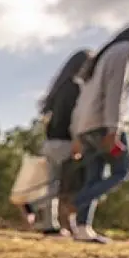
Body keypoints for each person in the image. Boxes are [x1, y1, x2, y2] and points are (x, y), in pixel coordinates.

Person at [69, 8, 129, 243]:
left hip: (87, 125)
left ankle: (83, 228)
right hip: (105, 123)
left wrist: (77, 132)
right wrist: (113, 130)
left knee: (94, 176)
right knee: (123, 170)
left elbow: (84, 97)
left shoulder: (106, 53)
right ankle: (75, 203)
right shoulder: (127, 50)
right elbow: (116, 93)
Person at [30, 48, 94, 237]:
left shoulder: (58, 88)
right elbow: (77, 118)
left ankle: (49, 224)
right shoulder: (76, 87)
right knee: (70, 186)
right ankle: (70, 224)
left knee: (50, 186)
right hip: (66, 142)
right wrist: (78, 140)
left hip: (50, 142)